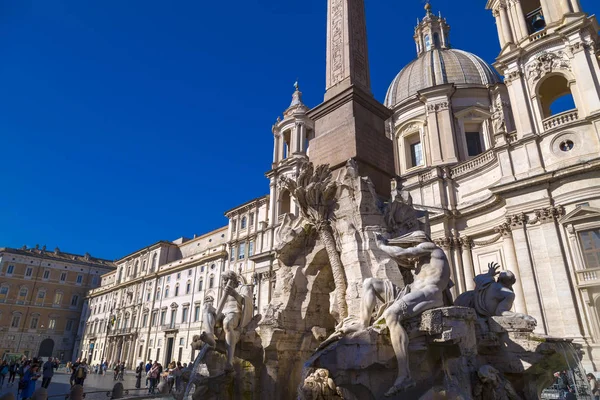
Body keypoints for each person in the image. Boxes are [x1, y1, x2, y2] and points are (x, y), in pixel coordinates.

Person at [371, 231, 452, 396]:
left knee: (391, 314)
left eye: (412, 244)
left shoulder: (431, 248)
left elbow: (403, 253)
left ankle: (404, 375)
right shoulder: (423, 262)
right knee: (378, 297)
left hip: (430, 293)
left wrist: (382, 245)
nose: (413, 249)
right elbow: (403, 257)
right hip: (417, 294)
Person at [199, 271, 253, 371]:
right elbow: (220, 307)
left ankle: (229, 361)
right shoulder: (223, 291)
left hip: (235, 313)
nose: (223, 283)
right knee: (207, 307)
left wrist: (235, 294)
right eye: (223, 281)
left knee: (227, 323)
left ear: (231, 280)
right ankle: (209, 335)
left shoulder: (243, 288)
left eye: (225, 280)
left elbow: (248, 303)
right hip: (223, 313)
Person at [455, 262, 536, 323]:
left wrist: (490, 274)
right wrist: (522, 316)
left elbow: (476, 278)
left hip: (464, 301)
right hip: (481, 314)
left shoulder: (487, 281)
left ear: (498, 278)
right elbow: (501, 312)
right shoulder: (508, 294)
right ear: (513, 282)